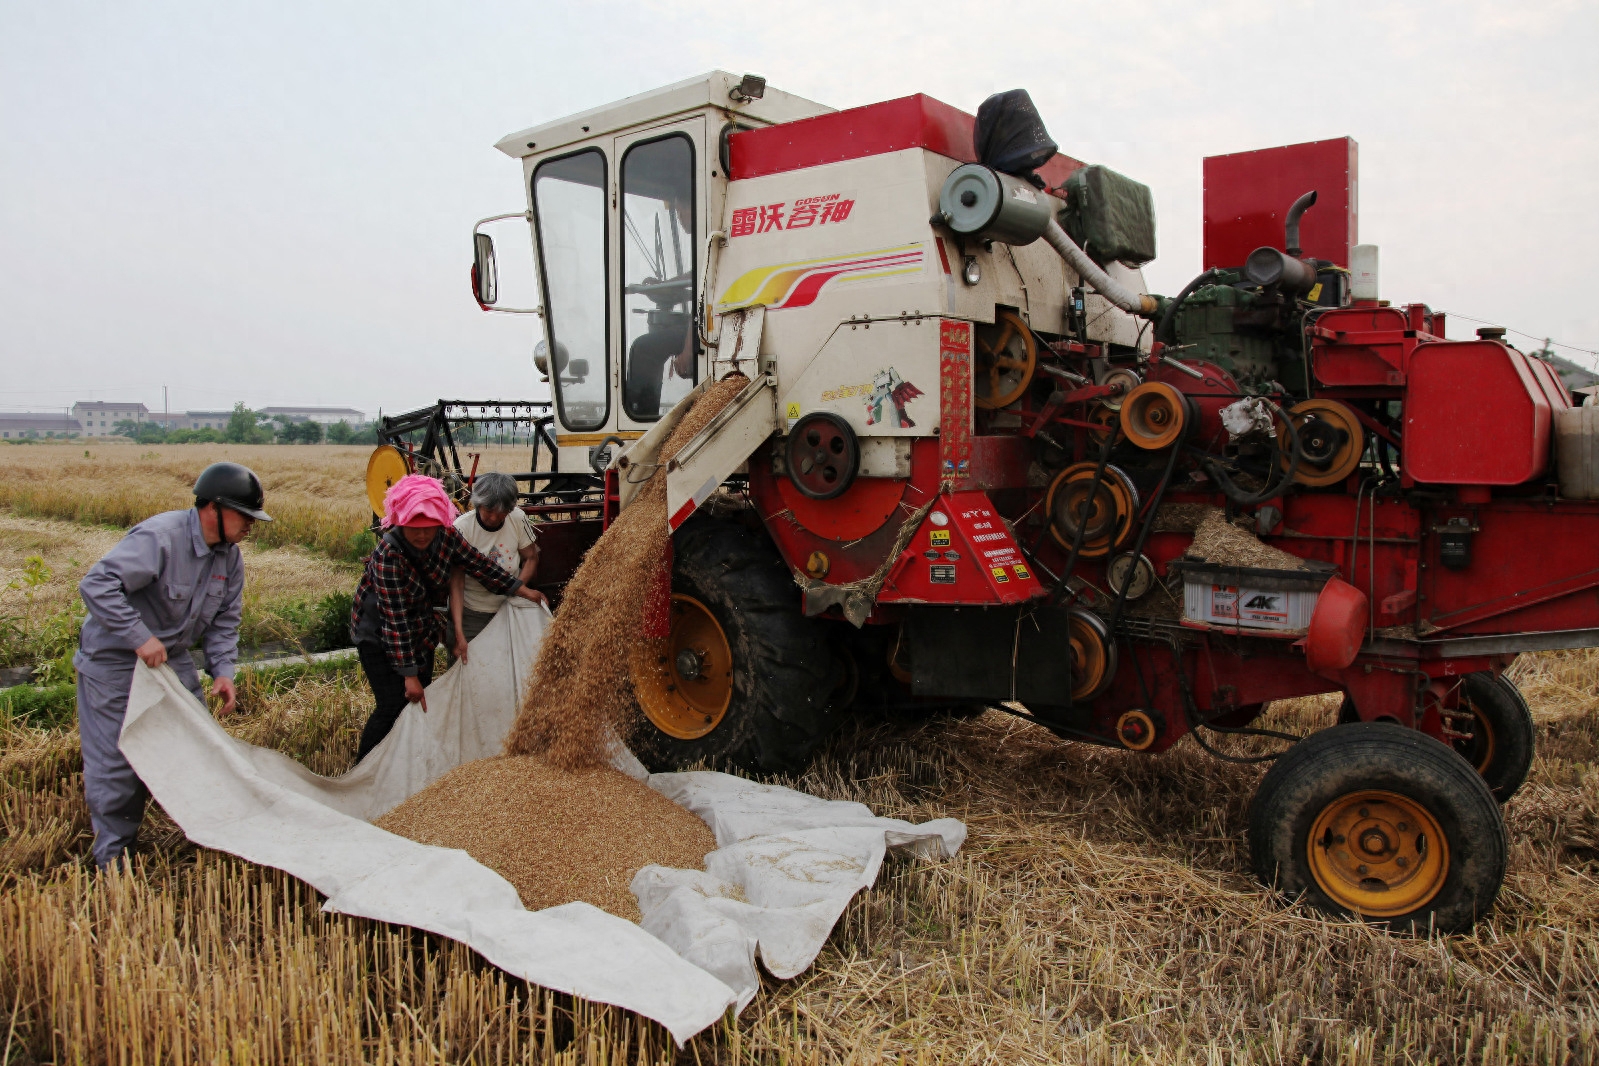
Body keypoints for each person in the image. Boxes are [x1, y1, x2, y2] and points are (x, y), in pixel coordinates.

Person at [75, 462, 270, 870]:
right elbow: (97, 584)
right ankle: (112, 861)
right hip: (115, 661)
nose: (251, 526)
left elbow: (224, 622)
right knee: (118, 765)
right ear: (213, 508)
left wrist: (222, 672)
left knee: (199, 746)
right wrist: (137, 637)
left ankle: (205, 837)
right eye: (245, 515)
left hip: (171, 659)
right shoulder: (160, 538)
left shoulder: (229, 560)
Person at [349, 474, 547, 761]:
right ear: (399, 523)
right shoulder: (388, 554)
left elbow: (479, 565)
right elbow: (396, 620)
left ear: (439, 524)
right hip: (379, 633)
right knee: (393, 704)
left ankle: (411, 764)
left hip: (420, 625)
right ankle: (366, 767)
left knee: (421, 700)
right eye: (413, 529)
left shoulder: (446, 537)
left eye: (429, 528)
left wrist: (520, 589)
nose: (422, 535)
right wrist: (409, 676)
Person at [448, 472, 539, 665]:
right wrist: (459, 632)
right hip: (473, 613)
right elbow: (456, 584)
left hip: (508, 610)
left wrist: (517, 591)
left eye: (502, 512)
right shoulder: (462, 529)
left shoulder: (517, 518)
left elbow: (530, 557)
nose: (495, 517)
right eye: (489, 510)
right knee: (469, 666)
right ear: (478, 503)